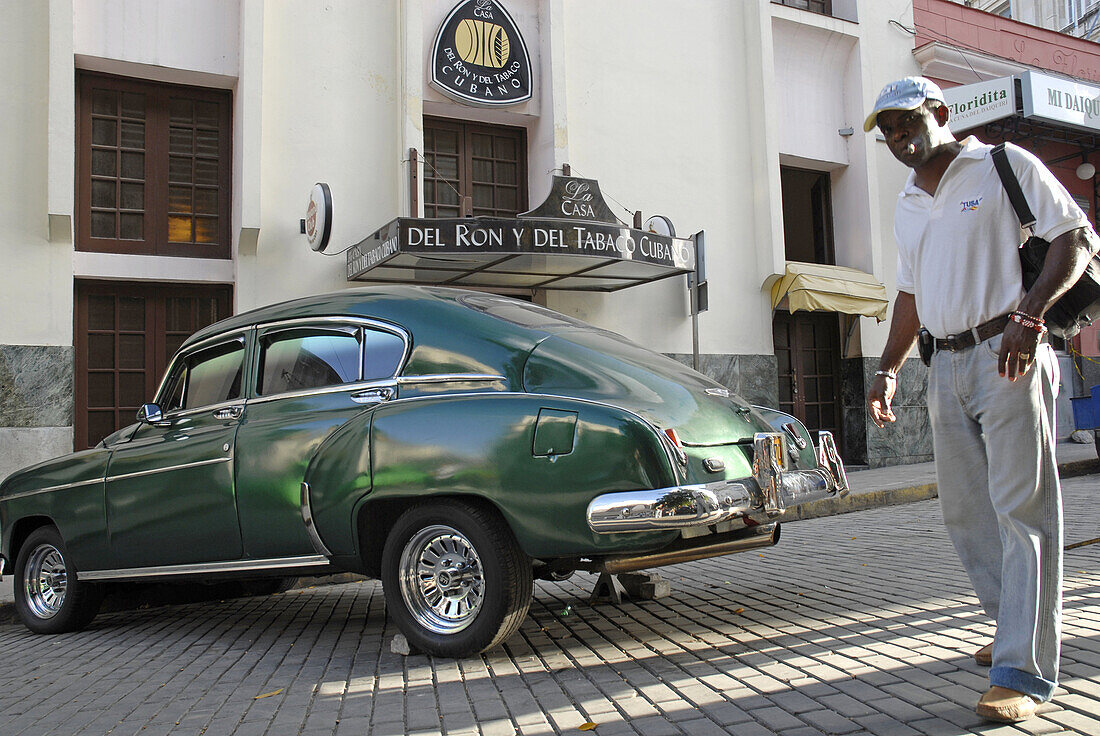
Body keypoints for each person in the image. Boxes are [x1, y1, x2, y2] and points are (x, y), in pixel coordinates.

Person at [864, 77, 1099, 723]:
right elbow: (909, 294)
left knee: (1023, 513)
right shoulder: (908, 202)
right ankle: (1008, 627)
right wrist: (888, 368)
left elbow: (1073, 237)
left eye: (906, 122)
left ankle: (1023, 672)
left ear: (939, 114)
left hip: (1010, 353)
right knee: (967, 515)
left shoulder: (1002, 164)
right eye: (886, 131)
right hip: (945, 366)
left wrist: (1029, 317)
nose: (897, 138)